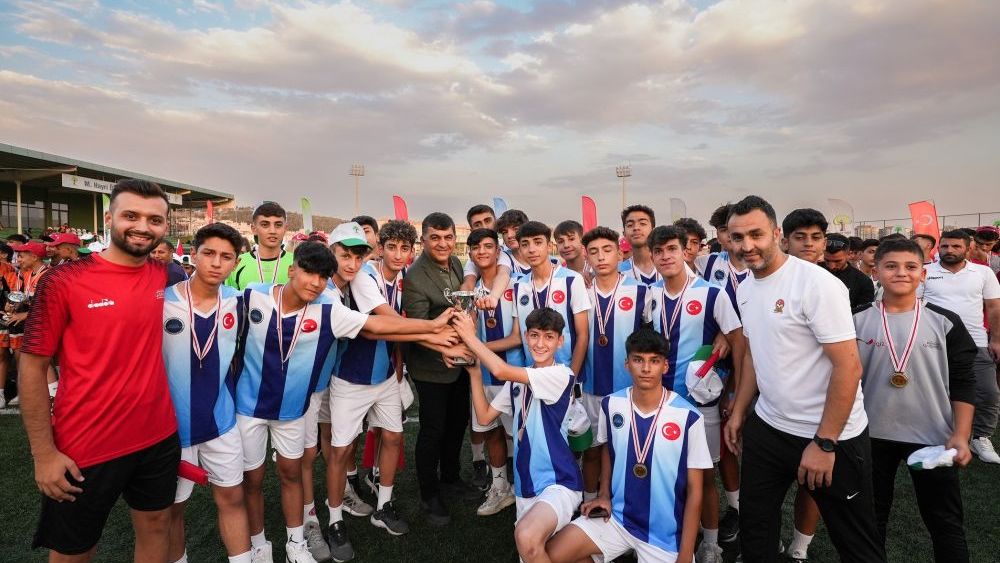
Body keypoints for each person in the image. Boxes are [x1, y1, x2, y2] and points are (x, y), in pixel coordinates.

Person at [234, 241, 452, 563]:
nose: (315, 282)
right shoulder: (253, 295)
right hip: (249, 407)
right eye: (308, 272)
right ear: (291, 269)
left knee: (291, 473)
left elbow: (376, 325)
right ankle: (258, 547)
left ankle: (295, 544)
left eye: (322, 276)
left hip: (293, 408)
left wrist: (432, 326)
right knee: (252, 480)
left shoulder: (328, 308)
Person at [20, 179, 181, 561]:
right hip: (86, 443)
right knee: (74, 549)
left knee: (158, 524)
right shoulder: (64, 280)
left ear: (164, 226)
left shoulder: (165, 275)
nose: (142, 226)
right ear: (109, 219)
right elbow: (32, 367)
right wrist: (43, 454)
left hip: (158, 435)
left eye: (154, 219)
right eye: (131, 216)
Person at [723, 195, 887, 563]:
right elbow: (753, 353)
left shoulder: (817, 284)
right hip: (769, 426)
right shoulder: (746, 287)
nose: (746, 246)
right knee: (755, 532)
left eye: (755, 234)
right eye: (737, 237)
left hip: (830, 434)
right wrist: (739, 411)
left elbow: (848, 368)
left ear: (775, 234)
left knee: (857, 544)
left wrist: (825, 443)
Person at [325, 222, 455, 561]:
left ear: (411, 252)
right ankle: (334, 520)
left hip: (384, 376)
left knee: (394, 438)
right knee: (341, 450)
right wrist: (436, 335)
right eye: (392, 247)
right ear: (380, 249)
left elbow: (396, 328)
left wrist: (401, 364)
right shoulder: (364, 275)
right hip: (351, 378)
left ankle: (383, 506)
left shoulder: (401, 277)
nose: (398, 255)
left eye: (405, 249)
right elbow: (383, 324)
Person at [854, 238, 977, 562]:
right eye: (891, 266)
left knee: (945, 522)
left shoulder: (945, 321)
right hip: (870, 434)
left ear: (923, 274)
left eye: (910, 267)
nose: (901, 273)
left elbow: (964, 383)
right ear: (876, 271)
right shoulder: (855, 319)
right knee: (870, 522)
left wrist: (961, 435)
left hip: (932, 436)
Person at [546, 328, 712, 563]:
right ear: (627, 364)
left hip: (663, 536)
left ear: (665, 366)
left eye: (654, 361)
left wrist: (686, 553)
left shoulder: (690, 418)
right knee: (552, 554)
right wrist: (604, 494)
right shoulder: (611, 404)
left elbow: (695, 490)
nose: (646, 368)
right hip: (618, 518)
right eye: (638, 360)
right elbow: (608, 450)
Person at [647, 225, 743, 563]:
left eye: (672, 248)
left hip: (701, 404)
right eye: (659, 251)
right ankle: (668, 534)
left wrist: (734, 393)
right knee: (664, 471)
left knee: (703, 475)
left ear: (686, 250)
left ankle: (711, 544)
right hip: (661, 401)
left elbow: (740, 344)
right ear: (653, 256)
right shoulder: (651, 295)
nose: (665, 256)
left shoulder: (712, 294)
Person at [456, 307, 583, 563]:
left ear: (560, 341)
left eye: (549, 337)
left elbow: (501, 370)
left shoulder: (561, 374)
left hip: (558, 482)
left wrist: (470, 338)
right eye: (534, 335)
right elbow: (484, 417)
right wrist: (475, 373)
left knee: (526, 537)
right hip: (526, 487)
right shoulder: (517, 382)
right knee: (544, 551)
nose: (540, 343)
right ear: (526, 337)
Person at [162, 223, 252, 563]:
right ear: (193, 255)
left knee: (232, 499)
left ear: (235, 262)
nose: (216, 263)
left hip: (221, 422)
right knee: (172, 510)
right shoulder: (162, 302)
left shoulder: (238, 303)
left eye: (226, 257)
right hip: (172, 428)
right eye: (209, 253)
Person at [401, 212, 480, 526]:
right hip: (431, 365)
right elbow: (418, 328)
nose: (443, 243)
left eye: (448, 237)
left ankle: (450, 477)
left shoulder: (456, 263)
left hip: (460, 362)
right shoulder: (415, 276)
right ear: (423, 240)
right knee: (433, 430)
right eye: (435, 238)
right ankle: (429, 494)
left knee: (457, 422)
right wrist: (446, 350)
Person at [578, 226, 651, 509]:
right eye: (594, 252)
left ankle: (623, 504)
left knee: (627, 451)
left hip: (628, 389)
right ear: (587, 256)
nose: (601, 257)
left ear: (620, 254)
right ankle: (587, 503)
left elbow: (652, 337)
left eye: (607, 250)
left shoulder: (642, 292)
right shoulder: (579, 291)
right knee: (592, 451)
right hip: (590, 387)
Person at [921, 229, 1000, 464]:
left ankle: (981, 437)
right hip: (933, 342)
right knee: (935, 394)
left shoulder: (983, 272)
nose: (949, 250)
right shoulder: (926, 271)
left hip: (976, 341)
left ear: (968, 248)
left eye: (956, 246)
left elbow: (994, 307)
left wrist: (996, 339)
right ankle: (939, 436)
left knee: (988, 392)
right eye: (945, 246)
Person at [464, 228, 522, 516]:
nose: (482, 251)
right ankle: (500, 488)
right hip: (483, 376)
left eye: (488, 246)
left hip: (512, 375)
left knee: (520, 437)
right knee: (491, 433)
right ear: (471, 253)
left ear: (499, 252)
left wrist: (479, 348)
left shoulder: (517, 285)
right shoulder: (469, 292)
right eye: (476, 247)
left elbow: (518, 338)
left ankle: (526, 491)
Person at [510, 221, 591, 377]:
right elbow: (516, 336)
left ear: (549, 246)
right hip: (532, 376)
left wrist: (571, 377)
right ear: (520, 249)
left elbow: (583, 335)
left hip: (565, 374)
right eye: (525, 244)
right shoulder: (519, 286)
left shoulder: (572, 280)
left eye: (538, 242)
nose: (531, 249)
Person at [226, 202, 292, 290]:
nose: (272, 231)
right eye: (265, 225)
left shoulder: (297, 262)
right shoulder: (237, 263)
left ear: (285, 229)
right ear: (254, 229)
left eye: (278, 225)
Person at [823, 233, 876, 309]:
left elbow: (863, 313)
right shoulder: (814, 274)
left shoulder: (863, 282)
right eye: (827, 260)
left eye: (837, 261)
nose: (832, 266)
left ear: (848, 254)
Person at [619, 205, 660, 285]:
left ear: (653, 230)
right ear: (624, 234)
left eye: (642, 223)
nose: (636, 228)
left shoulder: (669, 263)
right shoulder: (618, 271)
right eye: (630, 225)